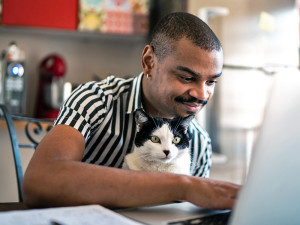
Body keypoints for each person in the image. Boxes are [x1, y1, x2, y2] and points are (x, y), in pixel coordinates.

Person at [23, 12, 240, 209]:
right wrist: (181, 185)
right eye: (186, 78)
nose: (202, 95)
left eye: (211, 82)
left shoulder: (200, 143)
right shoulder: (96, 101)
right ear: (149, 62)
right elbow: (40, 180)